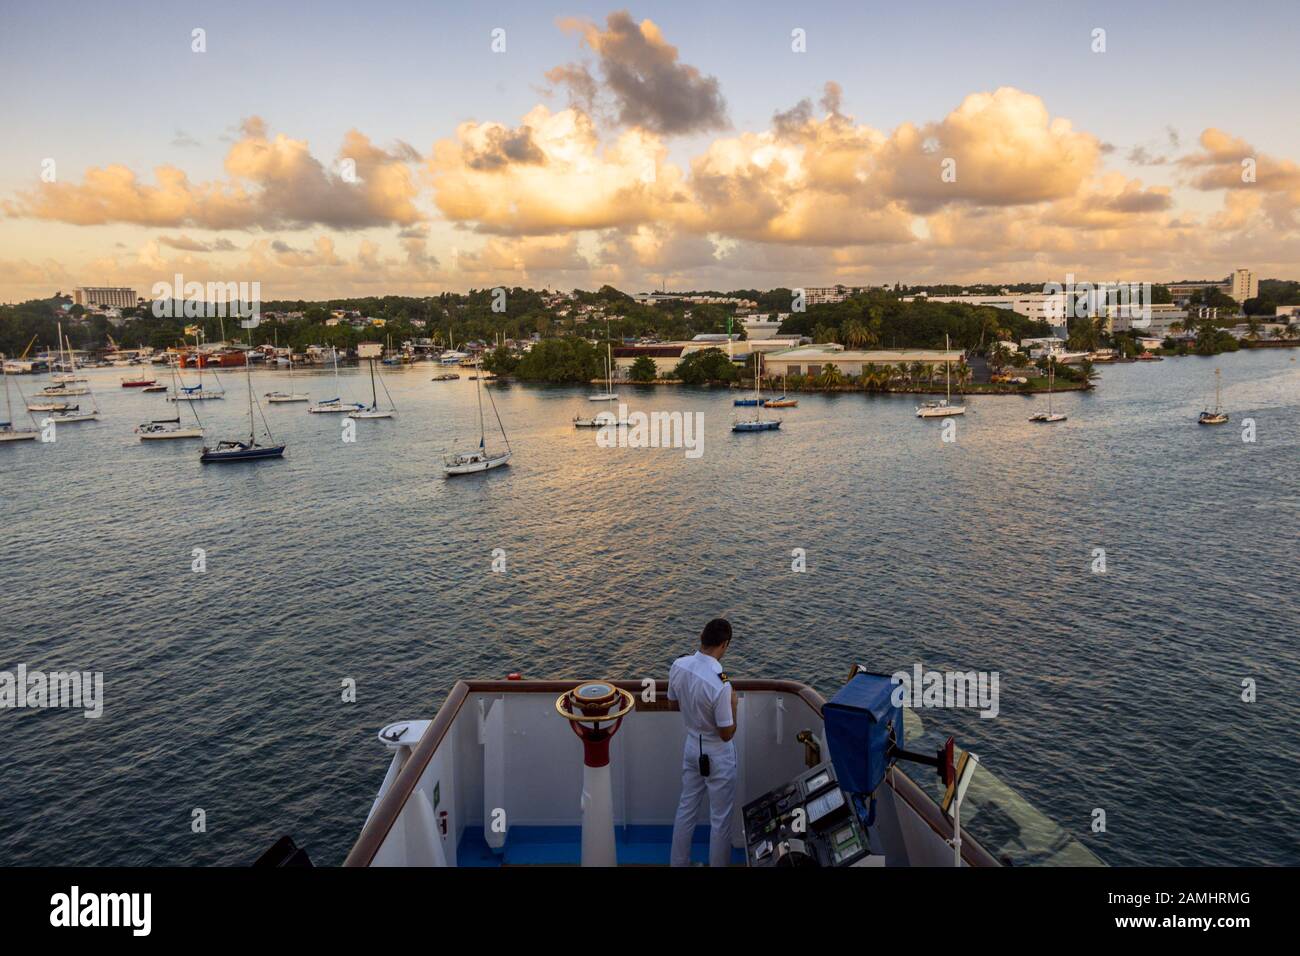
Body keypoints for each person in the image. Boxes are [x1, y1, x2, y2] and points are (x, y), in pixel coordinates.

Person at [667, 617, 739, 867]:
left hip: (691, 746)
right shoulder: (721, 682)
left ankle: (679, 863)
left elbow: (673, 703)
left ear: (702, 638)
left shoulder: (679, 665)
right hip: (717, 753)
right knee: (720, 818)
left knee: (686, 808)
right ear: (724, 644)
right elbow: (726, 733)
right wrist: (734, 706)